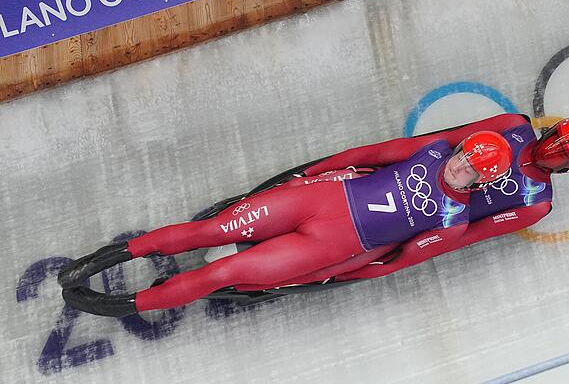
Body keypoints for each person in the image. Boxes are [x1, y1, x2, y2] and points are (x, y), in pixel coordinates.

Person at [59, 131, 513, 317]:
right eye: (463, 157)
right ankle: (103, 258)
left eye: (470, 171)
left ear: (479, 184)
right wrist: (315, 172)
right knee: (213, 230)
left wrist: (333, 274)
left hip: (331, 244)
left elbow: (398, 260)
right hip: (321, 199)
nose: (458, 168)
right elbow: (371, 156)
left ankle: (119, 306)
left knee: (222, 273)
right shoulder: (433, 150)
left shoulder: (452, 222)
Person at [209, 114, 569, 291]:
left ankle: (251, 262)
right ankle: (257, 261)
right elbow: (443, 146)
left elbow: (462, 229)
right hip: (396, 206)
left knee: (329, 252)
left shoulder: (519, 149)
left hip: (400, 213)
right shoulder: (534, 195)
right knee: (328, 261)